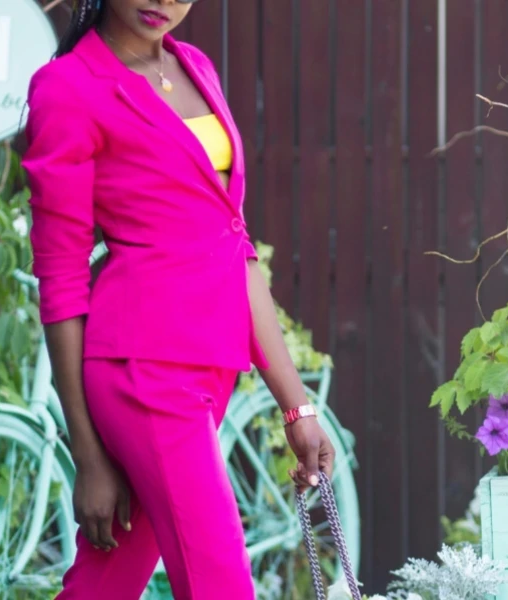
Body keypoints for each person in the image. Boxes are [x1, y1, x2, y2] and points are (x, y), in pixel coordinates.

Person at [21, 0, 337, 598]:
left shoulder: (194, 66)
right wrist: (86, 453)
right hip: (144, 375)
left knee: (104, 583)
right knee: (221, 583)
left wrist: (297, 408)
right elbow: (61, 280)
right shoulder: (68, 87)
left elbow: (233, 243)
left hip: (207, 368)